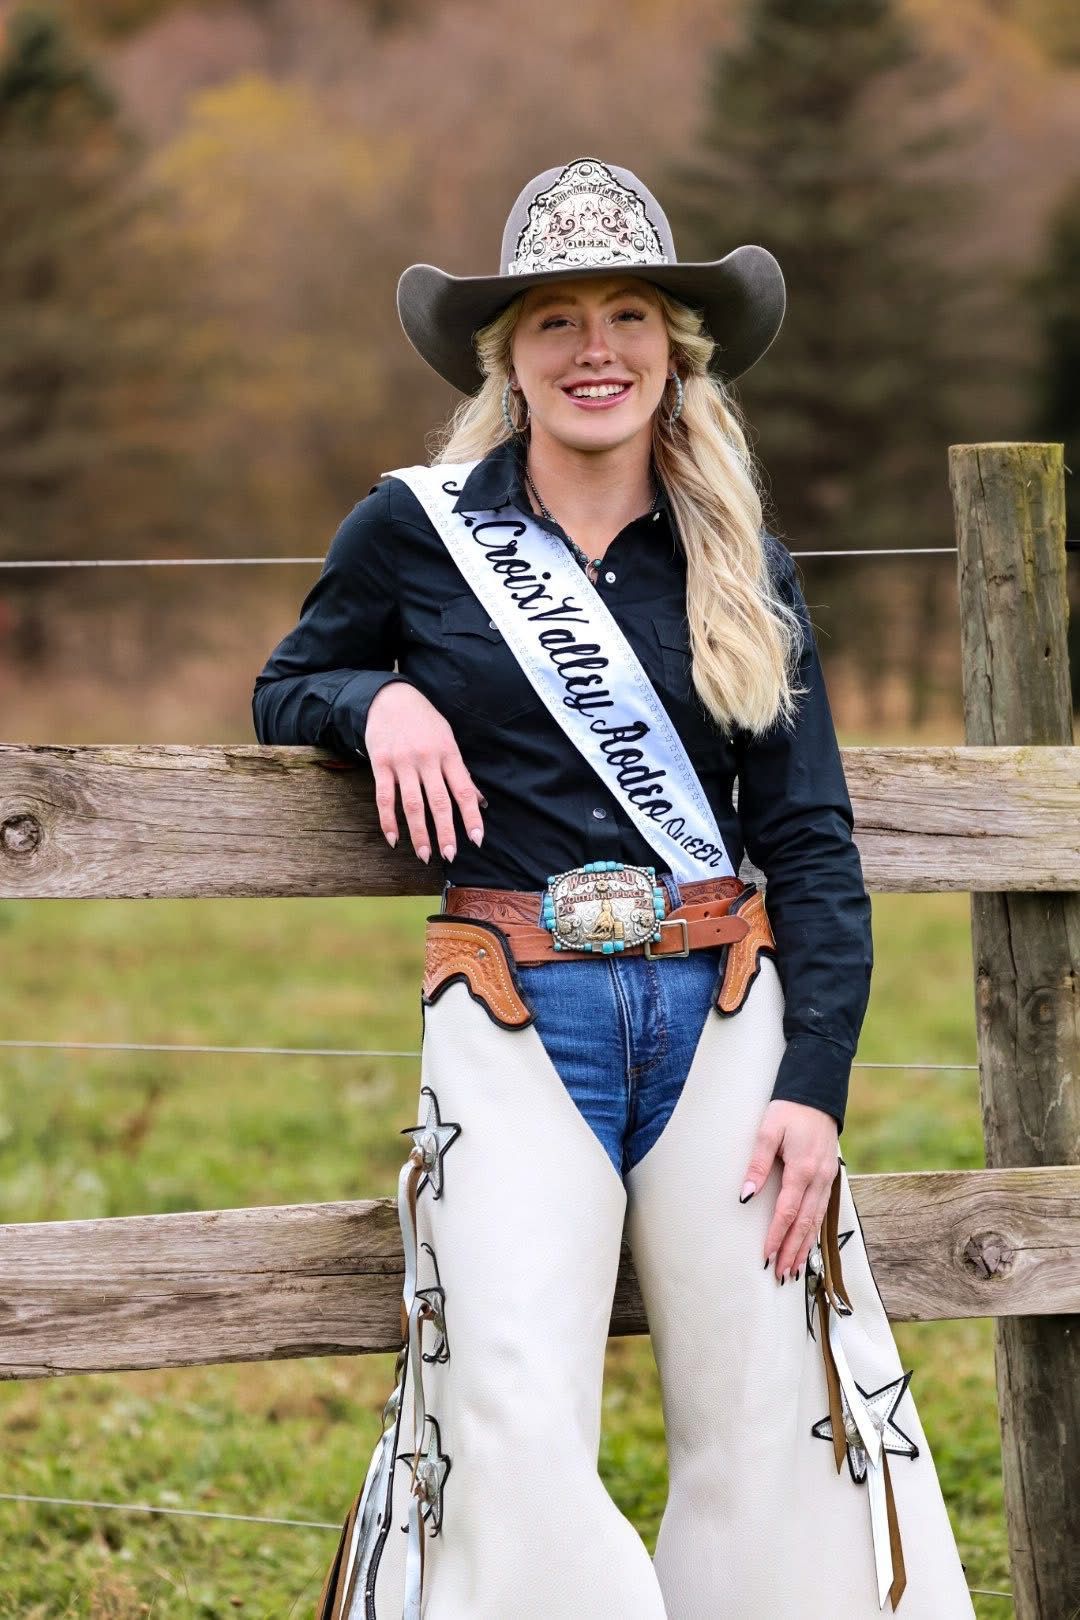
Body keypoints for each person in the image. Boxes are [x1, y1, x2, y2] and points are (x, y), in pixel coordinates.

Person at [252, 157, 975, 1619]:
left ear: (674, 348)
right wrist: (373, 706)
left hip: (724, 1020)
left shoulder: (736, 558)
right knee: (508, 1418)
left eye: (630, 315)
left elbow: (814, 842)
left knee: (778, 1416)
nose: (596, 352)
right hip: (513, 1018)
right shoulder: (415, 530)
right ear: (507, 361)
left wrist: (816, 1083)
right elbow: (290, 680)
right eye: (555, 322)